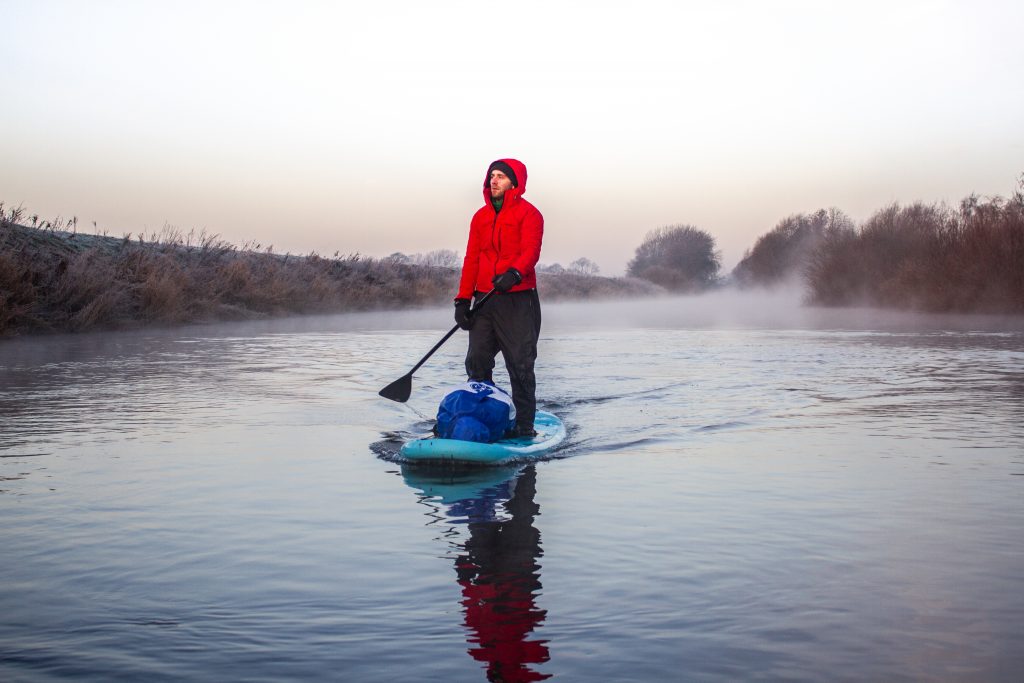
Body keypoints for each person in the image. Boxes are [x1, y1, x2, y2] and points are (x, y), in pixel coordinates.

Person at [454, 158, 543, 438]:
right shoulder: (480, 217)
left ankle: (524, 426)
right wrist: (462, 300)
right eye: (492, 175)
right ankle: (484, 416)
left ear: (515, 183)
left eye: (502, 176)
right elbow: (472, 259)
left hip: (518, 300)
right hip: (484, 299)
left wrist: (515, 273)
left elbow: (531, 251)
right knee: (477, 360)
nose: (494, 180)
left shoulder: (530, 214)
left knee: (520, 363)